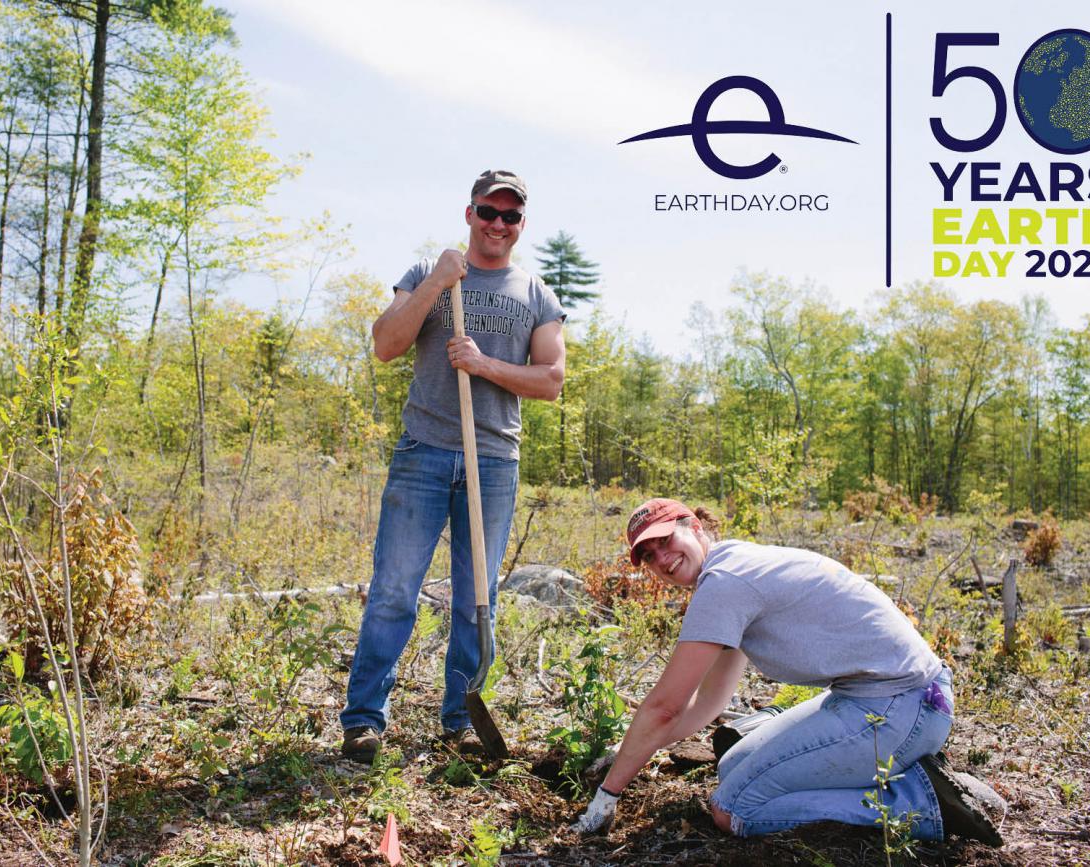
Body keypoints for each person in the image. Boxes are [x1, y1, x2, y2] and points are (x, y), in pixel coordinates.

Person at [573, 498, 1003, 846]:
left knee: (734, 809)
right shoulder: (733, 568)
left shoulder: (724, 583)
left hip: (901, 706)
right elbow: (709, 703)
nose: (662, 559)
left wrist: (609, 792)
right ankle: (887, 770)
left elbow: (665, 706)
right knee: (732, 767)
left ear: (695, 527)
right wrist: (631, 751)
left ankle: (917, 803)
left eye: (666, 540)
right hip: (879, 698)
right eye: (648, 556)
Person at [339, 170, 567, 762]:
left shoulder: (535, 292)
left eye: (510, 216)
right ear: (469, 214)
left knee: (475, 598)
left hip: (492, 460)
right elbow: (386, 344)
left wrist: (484, 363)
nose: (498, 224)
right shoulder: (427, 275)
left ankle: (460, 719)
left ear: (521, 224)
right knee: (394, 589)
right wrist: (438, 281)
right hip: (423, 452)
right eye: (488, 212)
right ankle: (364, 720)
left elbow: (551, 381)